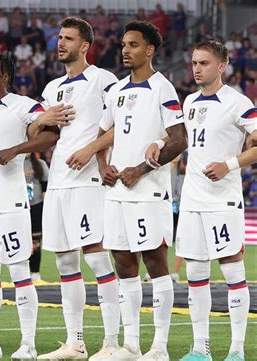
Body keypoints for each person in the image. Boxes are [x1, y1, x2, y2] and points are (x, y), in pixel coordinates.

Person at [146, 40, 256, 361]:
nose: (196, 68)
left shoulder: (237, 102)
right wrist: (156, 141)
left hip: (222, 202)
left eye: (204, 63)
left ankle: (236, 351)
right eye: (194, 62)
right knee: (195, 275)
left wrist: (230, 164)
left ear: (221, 66)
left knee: (233, 274)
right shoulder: (190, 101)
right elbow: (178, 136)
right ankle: (200, 348)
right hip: (192, 202)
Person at [0, 53, 67, 360]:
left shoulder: (23, 106)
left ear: (6, 77)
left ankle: (28, 343)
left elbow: (50, 134)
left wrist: (17, 149)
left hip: (11, 204)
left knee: (20, 273)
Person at [96, 21, 187, 361]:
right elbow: (105, 134)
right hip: (117, 191)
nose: (125, 50)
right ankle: (131, 346)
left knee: (155, 262)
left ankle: (159, 348)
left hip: (148, 191)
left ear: (149, 50)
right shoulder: (116, 90)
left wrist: (143, 168)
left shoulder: (162, 88)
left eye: (133, 45)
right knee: (123, 263)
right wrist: (103, 165)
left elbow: (179, 139)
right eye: (123, 44)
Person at [36, 17, 121, 361]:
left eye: (68, 38)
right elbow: (41, 135)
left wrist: (90, 149)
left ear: (84, 46)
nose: (61, 43)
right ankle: (75, 343)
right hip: (57, 183)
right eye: (59, 37)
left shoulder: (104, 80)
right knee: (65, 262)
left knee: (98, 259)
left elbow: (122, 125)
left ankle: (113, 342)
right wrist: (42, 119)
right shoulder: (52, 87)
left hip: (88, 182)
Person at [24, 152, 49, 281]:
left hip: (36, 205)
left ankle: (35, 272)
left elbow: (46, 182)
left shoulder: (40, 164)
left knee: (35, 241)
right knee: (22, 240)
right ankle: (22, 271)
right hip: (20, 207)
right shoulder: (15, 164)